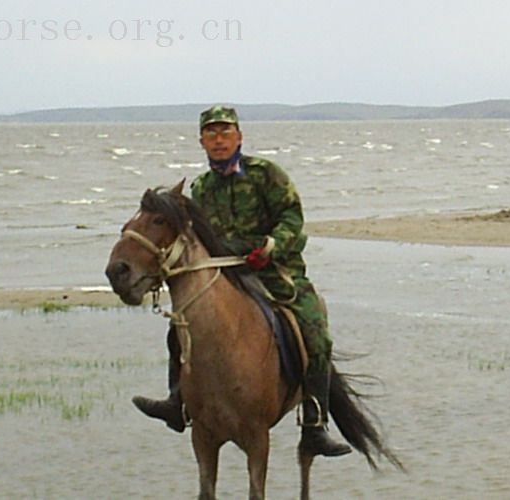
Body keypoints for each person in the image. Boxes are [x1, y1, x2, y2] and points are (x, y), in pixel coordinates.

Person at [132, 105, 351, 457]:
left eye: (225, 132)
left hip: (276, 269)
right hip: (227, 270)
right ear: (202, 140)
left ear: (239, 137)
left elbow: (292, 218)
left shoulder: (267, 174)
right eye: (211, 134)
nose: (219, 140)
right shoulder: (201, 188)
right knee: (180, 327)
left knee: (316, 332)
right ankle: (177, 400)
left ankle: (314, 424)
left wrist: (272, 244)